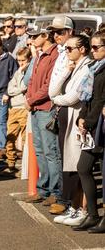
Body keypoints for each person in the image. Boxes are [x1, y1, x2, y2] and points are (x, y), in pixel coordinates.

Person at [48, 34, 92, 224]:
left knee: (78, 168)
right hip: (66, 122)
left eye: (69, 48)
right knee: (70, 166)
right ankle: (74, 207)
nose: (65, 52)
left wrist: (56, 100)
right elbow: (52, 91)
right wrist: (66, 71)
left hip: (77, 122)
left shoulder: (87, 67)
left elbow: (73, 97)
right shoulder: (73, 67)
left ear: (82, 49)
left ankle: (82, 210)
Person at [24, 28, 61, 205]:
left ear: (45, 36)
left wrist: (31, 99)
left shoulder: (55, 55)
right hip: (35, 108)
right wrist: (29, 98)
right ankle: (43, 189)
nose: (31, 40)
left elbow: (49, 86)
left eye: (34, 36)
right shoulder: (39, 55)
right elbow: (31, 80)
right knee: (39, 150)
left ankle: (56, 191)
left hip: (47, 109)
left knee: (51, 152)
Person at [73, 31, 105, 232]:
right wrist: (81, 118)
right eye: (91, 47)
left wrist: (90, 121)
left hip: (101, 126)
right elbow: (87, 97)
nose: (92, 51)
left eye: (96, 47)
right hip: (92, 125)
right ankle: (93, 215)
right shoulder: (94, 67)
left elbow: (102, 99)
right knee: (83, 168)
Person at [1, 47, 32, 177]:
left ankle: (26, 168)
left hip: (24, 109)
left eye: (23, 60)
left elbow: (26, 86)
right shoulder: (18, 71)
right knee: (10, 137)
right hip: (13, 108)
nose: (20, 63)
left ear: (29, 58)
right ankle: (10, 164)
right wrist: (17, 90)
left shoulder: (30, 71)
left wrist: (15, 90)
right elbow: (10, 88)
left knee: (25, 140)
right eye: (19, 60)